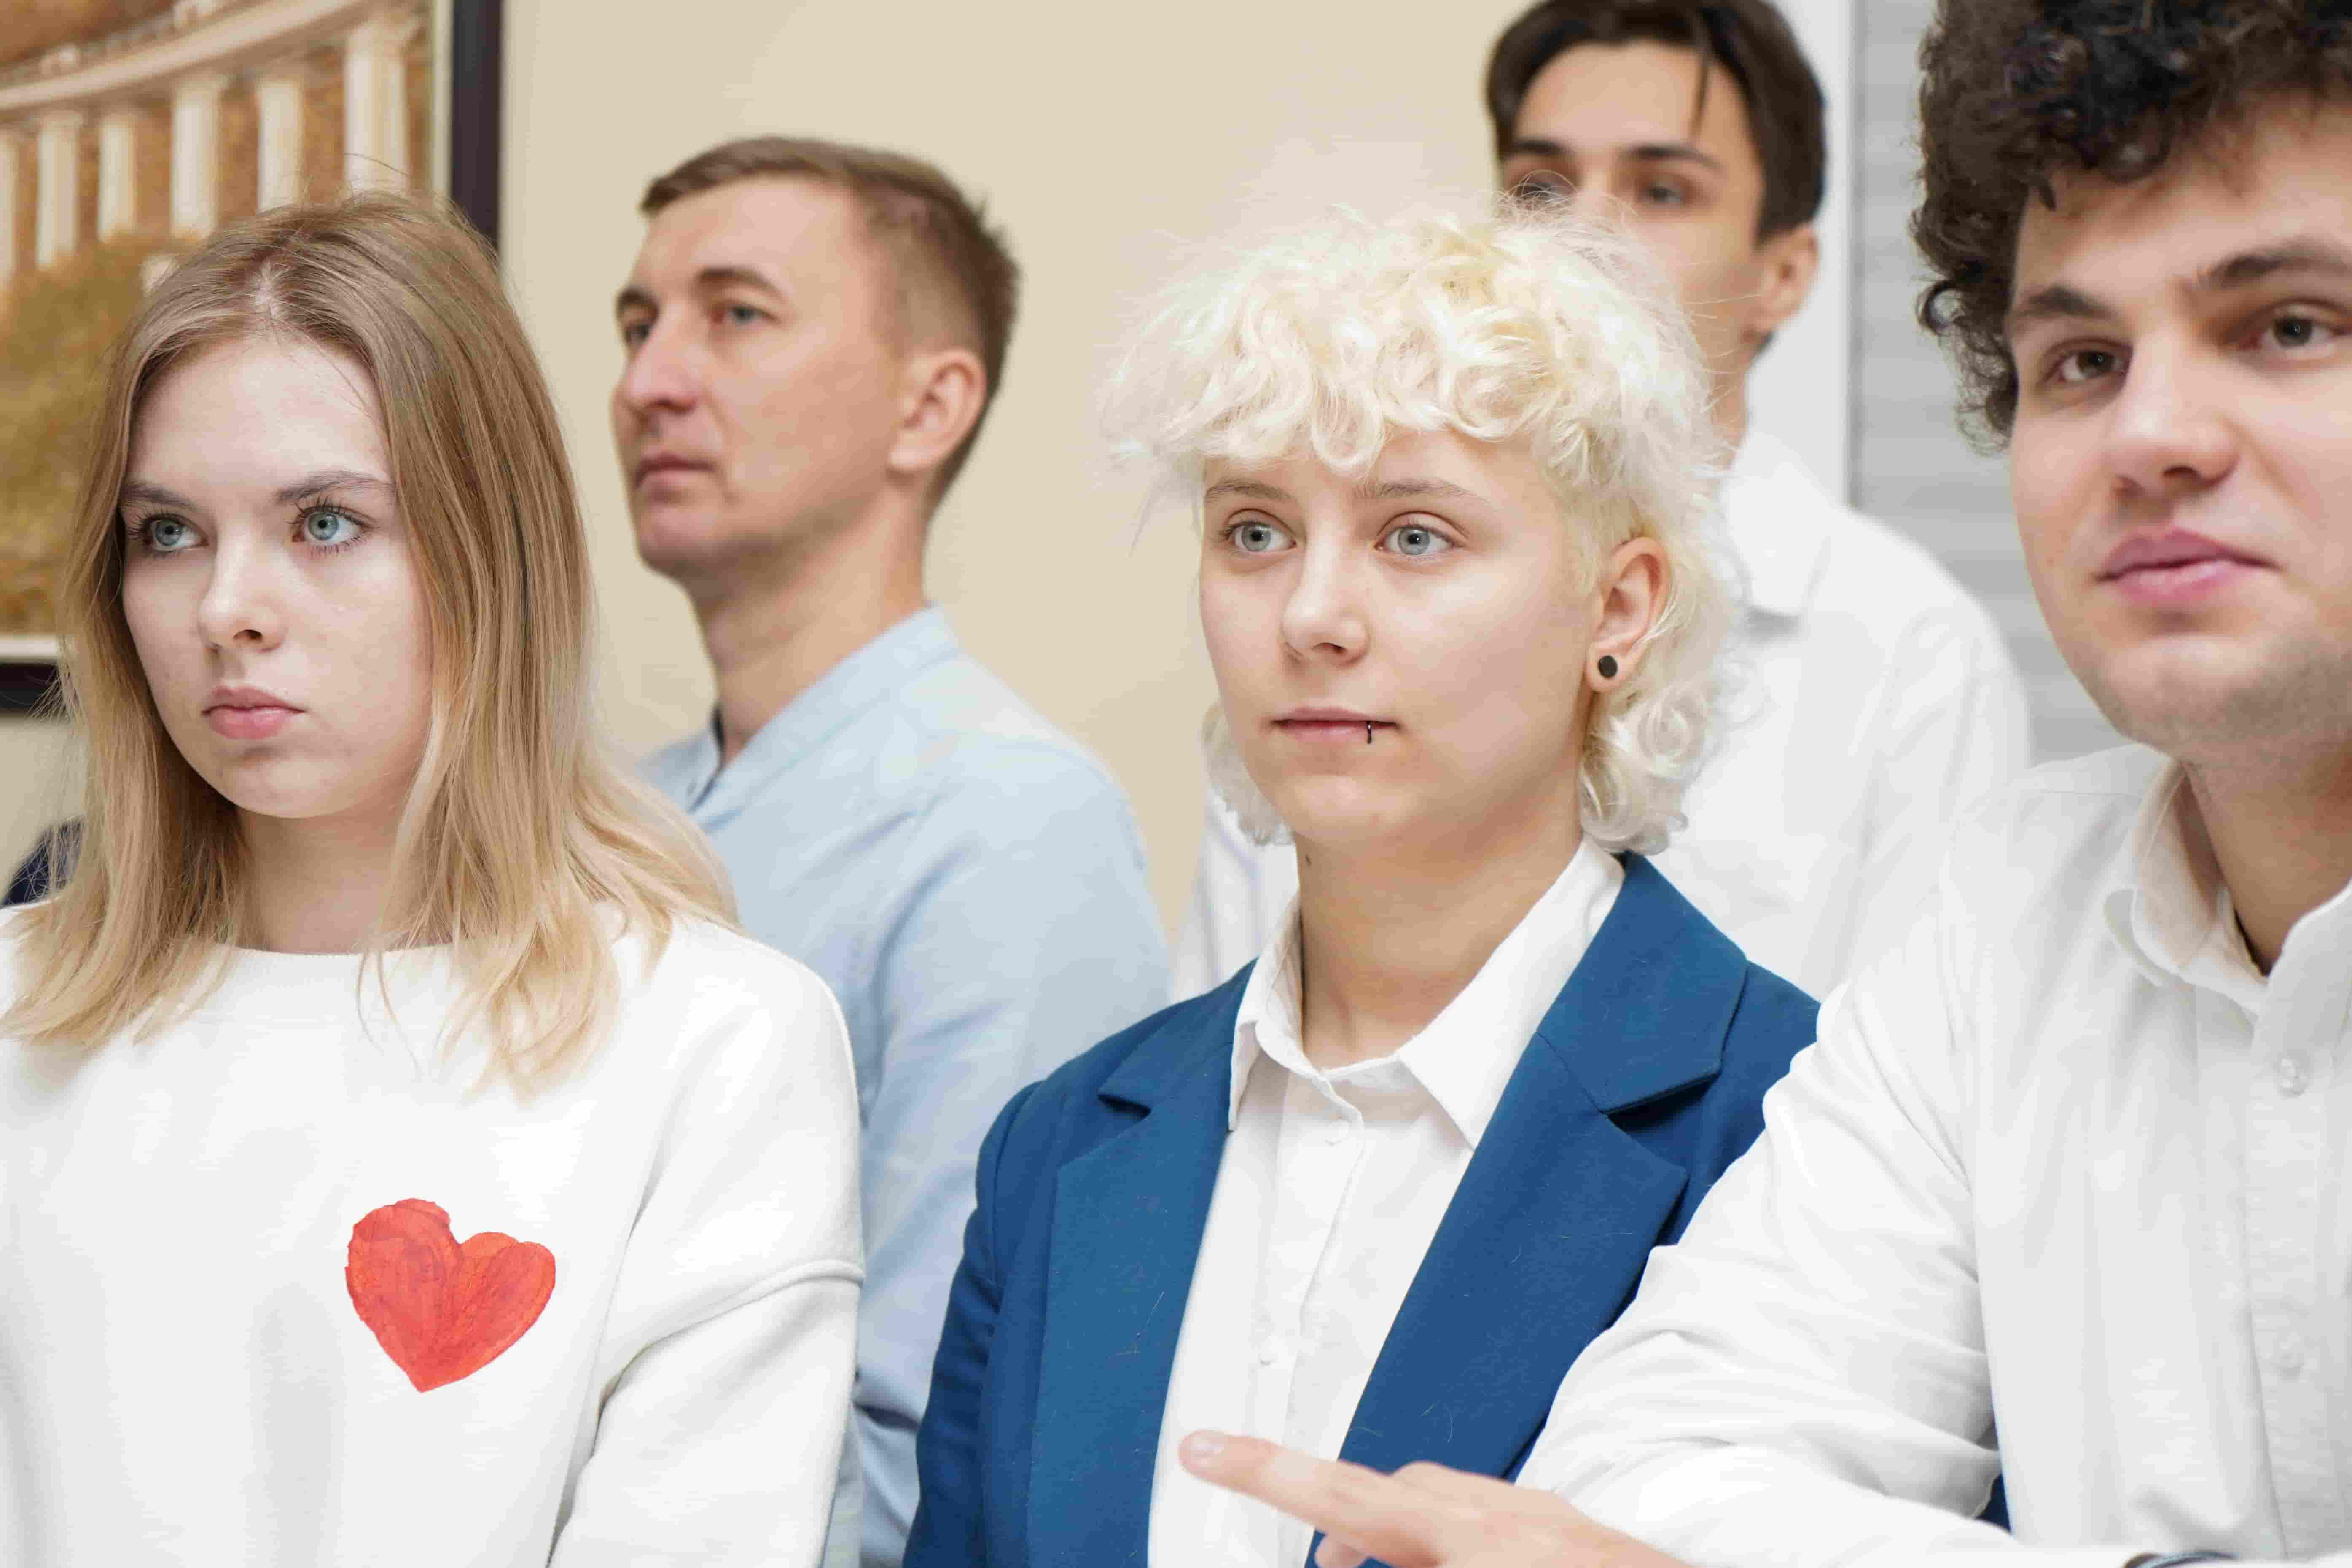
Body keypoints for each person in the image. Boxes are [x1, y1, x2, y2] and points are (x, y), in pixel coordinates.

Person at [1173, 2, 2352, 1563]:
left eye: (2288, 327)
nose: (2153, 436)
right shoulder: (2013, 918)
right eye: (2080, 359)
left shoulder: (1906, 667)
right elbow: (1655, 1465)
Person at [902, 203, 1820, 1568]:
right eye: (1254, 533)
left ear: (1618, 608)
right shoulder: (1056, 1150)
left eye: (1414, 537)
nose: (1311, 616)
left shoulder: (1795, 1123)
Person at [0, 193, 860, 1563]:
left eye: (324, 523)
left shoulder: (710, 1044)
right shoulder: (19, 1014)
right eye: (168, 533)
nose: (227, 608)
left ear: (488, 555)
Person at [1172, 0, 2032, 1003]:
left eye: (1661, 190)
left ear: (1783, 273)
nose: (1581, 236)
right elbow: (1218, 1040)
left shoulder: (1911, 650)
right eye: (1540, 190)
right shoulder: (1312, 643)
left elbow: (1925, 1067)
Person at [610, 136, 1169, 1568]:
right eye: (638, 324)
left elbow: (949, 1443)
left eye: (737, 315)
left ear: (930, 406)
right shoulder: (605, 825)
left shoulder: (1011, 828)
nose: (650, 380)